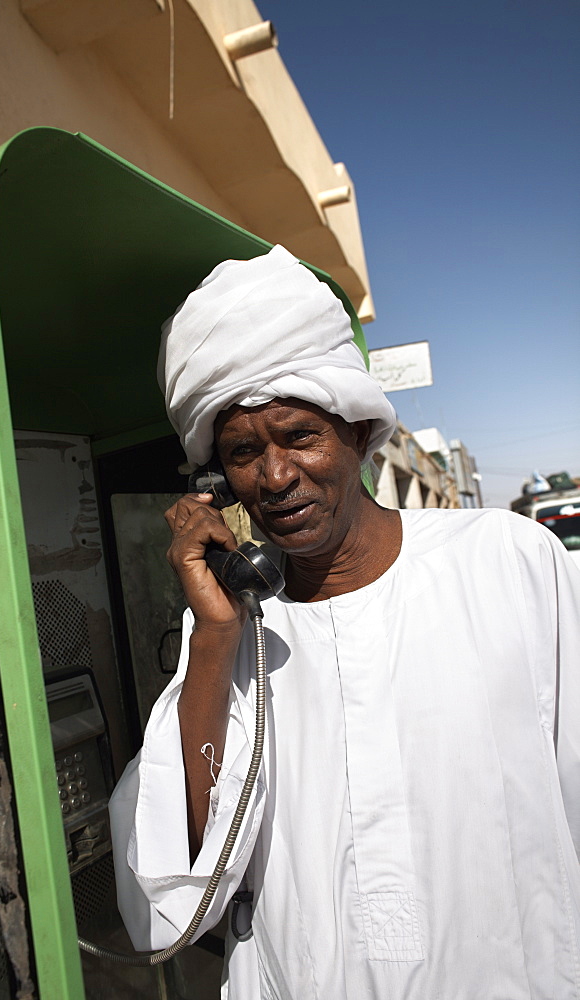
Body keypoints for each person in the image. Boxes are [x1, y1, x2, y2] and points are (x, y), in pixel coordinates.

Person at [110, 245, 580, 999]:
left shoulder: (507, 560)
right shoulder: (232, 633)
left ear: (358, 431)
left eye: (299, 436)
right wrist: (217, 637)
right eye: (241, 453)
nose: (274, 476)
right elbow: (175, 896)